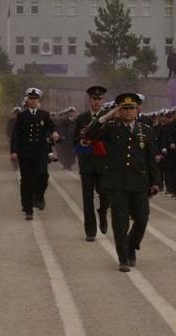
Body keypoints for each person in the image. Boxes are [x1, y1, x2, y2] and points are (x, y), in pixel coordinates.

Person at [85, 93, 160, 272]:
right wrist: (107, 116)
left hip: (139, 182)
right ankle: (124, 257)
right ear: (119, 110)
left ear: (137, 110)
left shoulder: (146, 130)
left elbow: (151, 159)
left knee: (142, 218)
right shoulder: (111, 128)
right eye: (124, 108)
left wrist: (156, 181)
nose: (128, 112)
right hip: (116, 182)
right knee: (120, 221)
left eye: (131, 108)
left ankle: (132, 245)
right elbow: (90, 134)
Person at [10, 88, 59, 220]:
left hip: (40, 152)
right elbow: (16, 135)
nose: (33, 101)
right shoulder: (22, 116)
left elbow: (52, 126)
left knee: (43, 175)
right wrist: (14, 151)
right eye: (30, 99)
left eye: (35, 99)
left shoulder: (44, 114)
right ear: (27, 101)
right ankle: (28, 208)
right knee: (26, 180)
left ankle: (39, 196)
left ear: (38, 101)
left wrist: (54, 132)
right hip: (25, 153)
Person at [75, 86, 110, 241]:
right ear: (89, 100)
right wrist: (82, 142)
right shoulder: (82, 118)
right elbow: (75, 140)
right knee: (87, 197)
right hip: (87, 162)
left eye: (99, 99)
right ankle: (90, 230)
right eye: (94, 99)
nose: (96, 102)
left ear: (102, 101)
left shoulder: (108, 117)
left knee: (105, 194)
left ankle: (102, 213)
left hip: (104, 163)